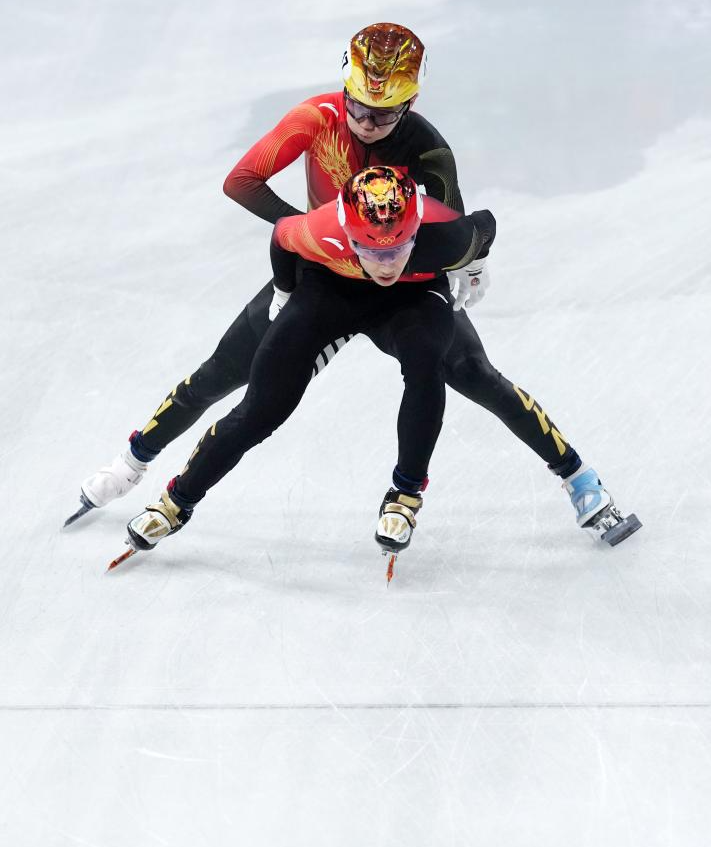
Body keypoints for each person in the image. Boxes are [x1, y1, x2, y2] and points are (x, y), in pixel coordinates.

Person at [70, 22, 638, 544]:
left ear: (411, 103)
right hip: (327, 270)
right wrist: (327, 233)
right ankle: (130, 465)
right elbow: (242, 181)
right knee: (223, 373)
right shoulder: (315, 118)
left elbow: (457, 227)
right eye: (358, 107)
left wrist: (466, 258)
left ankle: (580, 480)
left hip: (406, 279)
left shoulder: (428, 149)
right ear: (345, 87)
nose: (366, 122)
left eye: (383, 116)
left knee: (473, 374)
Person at [123, 166, 496, 559]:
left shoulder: (449, 234)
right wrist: (284, 291)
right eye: (372, 251)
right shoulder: (322, 227)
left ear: (416, 228)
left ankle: (405, 494)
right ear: (348, 232)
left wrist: (476, 264)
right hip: (332, 292)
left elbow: (485, 224)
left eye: (398, 248)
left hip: (413, 299)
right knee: (260, 410)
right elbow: (281, 235)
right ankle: (176, 502)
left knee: (426, 365)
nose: (387, 265)